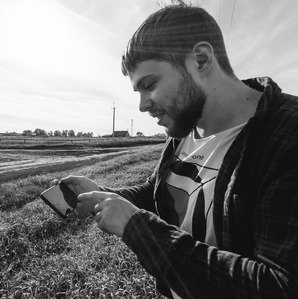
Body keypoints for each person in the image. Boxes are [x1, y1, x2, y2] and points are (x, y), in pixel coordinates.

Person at [61, 4, 298, 299]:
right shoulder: (185, 125)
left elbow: (279, 286)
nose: (142, 105)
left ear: (200, 59)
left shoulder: (287, 133)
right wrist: (106, 194)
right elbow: (159, 192)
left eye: (149, 84)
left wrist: (137, 228)